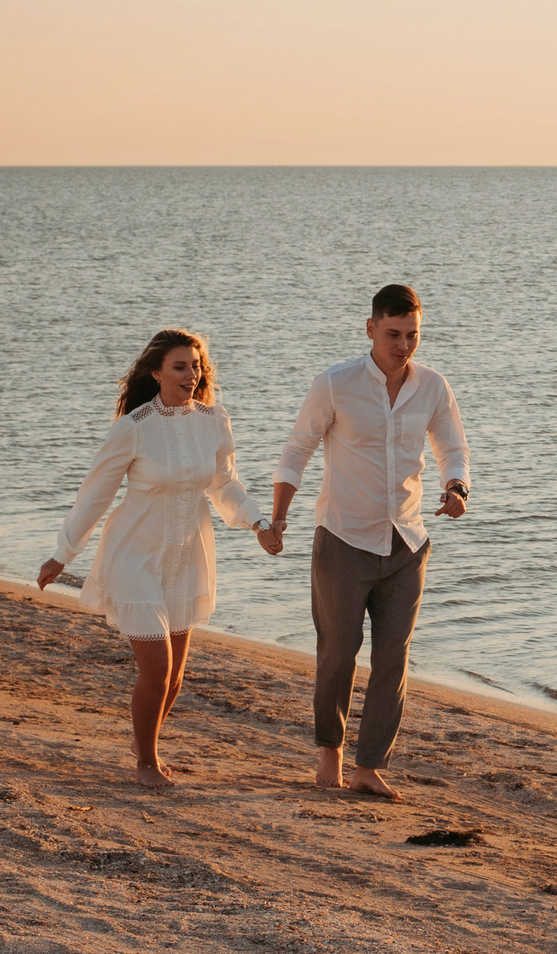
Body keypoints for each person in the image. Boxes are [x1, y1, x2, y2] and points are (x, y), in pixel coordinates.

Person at [259, 284, 470, 801]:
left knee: (393, 658)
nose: (404, 345)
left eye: (412, 335)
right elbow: (297, 451)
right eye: (394, 334)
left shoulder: (433, 386)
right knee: (338, 652)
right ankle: (330, 751)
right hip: (343, 538)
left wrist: (457, 487)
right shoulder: (335, 384)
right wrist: (278, 519)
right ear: (371, 328)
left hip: (407, 541)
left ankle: (369, 767)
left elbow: (452, 447)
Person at [39, 328, 265, 788]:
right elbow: (95, 495)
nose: (191, 375)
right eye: (180, 367)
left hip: (185, 558)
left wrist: (259, 523)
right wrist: (63, 554)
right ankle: (146, 761)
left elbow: (224, 484)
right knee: (156, 669)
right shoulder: (134, 427)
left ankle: (146, 743)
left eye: (196, 367)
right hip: (134, 556)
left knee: (175, 678)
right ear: (156, 373)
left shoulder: (213, 421)